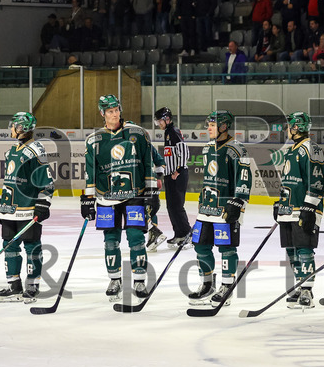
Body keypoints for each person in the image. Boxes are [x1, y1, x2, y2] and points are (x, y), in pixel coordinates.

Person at [81, 95, 157, 301]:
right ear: (102, 114)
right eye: (110, 111)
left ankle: (139, 280)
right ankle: (114, 278)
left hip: (135, 194)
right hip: (106, 198)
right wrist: (87, 199)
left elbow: (148, 163)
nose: (114, 114)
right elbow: (90, 173)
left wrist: (152, 192)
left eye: (117, 110)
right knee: (111, 242)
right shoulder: (94, 140)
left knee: (136, 239)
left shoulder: (138, 134)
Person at [186, 111, 251, 305]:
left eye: (212, 125)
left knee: (227, 248)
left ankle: (227, 286)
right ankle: (208, 284)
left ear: (223, 126)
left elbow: (244, 178)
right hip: (207, 208)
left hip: (226, 208)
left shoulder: (238, 149)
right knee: (200, 245)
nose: (208, 128)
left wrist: (238, 202)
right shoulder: (207, 148)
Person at [0, 112, 53, 303]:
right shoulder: (13, 150)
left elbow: (47, 182)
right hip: (10, 209)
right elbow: (9, 181)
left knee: (31, 247)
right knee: (9, 246)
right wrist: (1, 204)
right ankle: (14, 285)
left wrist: (43, 204)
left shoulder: (36, 150)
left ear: (21, 128)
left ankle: (32, 285)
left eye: (13, 126)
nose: (10, 129)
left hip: (27, 209)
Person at [273, 112, 324, 309]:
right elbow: (289, 181)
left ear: (296, 127)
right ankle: (301, 283)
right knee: (291, 250)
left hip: (304, 208)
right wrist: (280, 202)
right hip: (289, 208)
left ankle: (307, 291)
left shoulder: (311, 148)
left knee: (304, 249)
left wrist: (310, 207)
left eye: (289, 125)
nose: (287, 128)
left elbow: (317, 180)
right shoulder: (291, 150)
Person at [154, 107, 191, 247]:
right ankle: (179, 234)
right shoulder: (167, 133)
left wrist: (178, 170)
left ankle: (187, 233)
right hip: (170, 175)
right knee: (171, 206)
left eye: (159, 121)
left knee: (177, 206)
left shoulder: (174, 132)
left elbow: (184, 151)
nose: (158, 124)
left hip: (178, 175)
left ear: (167, 119)